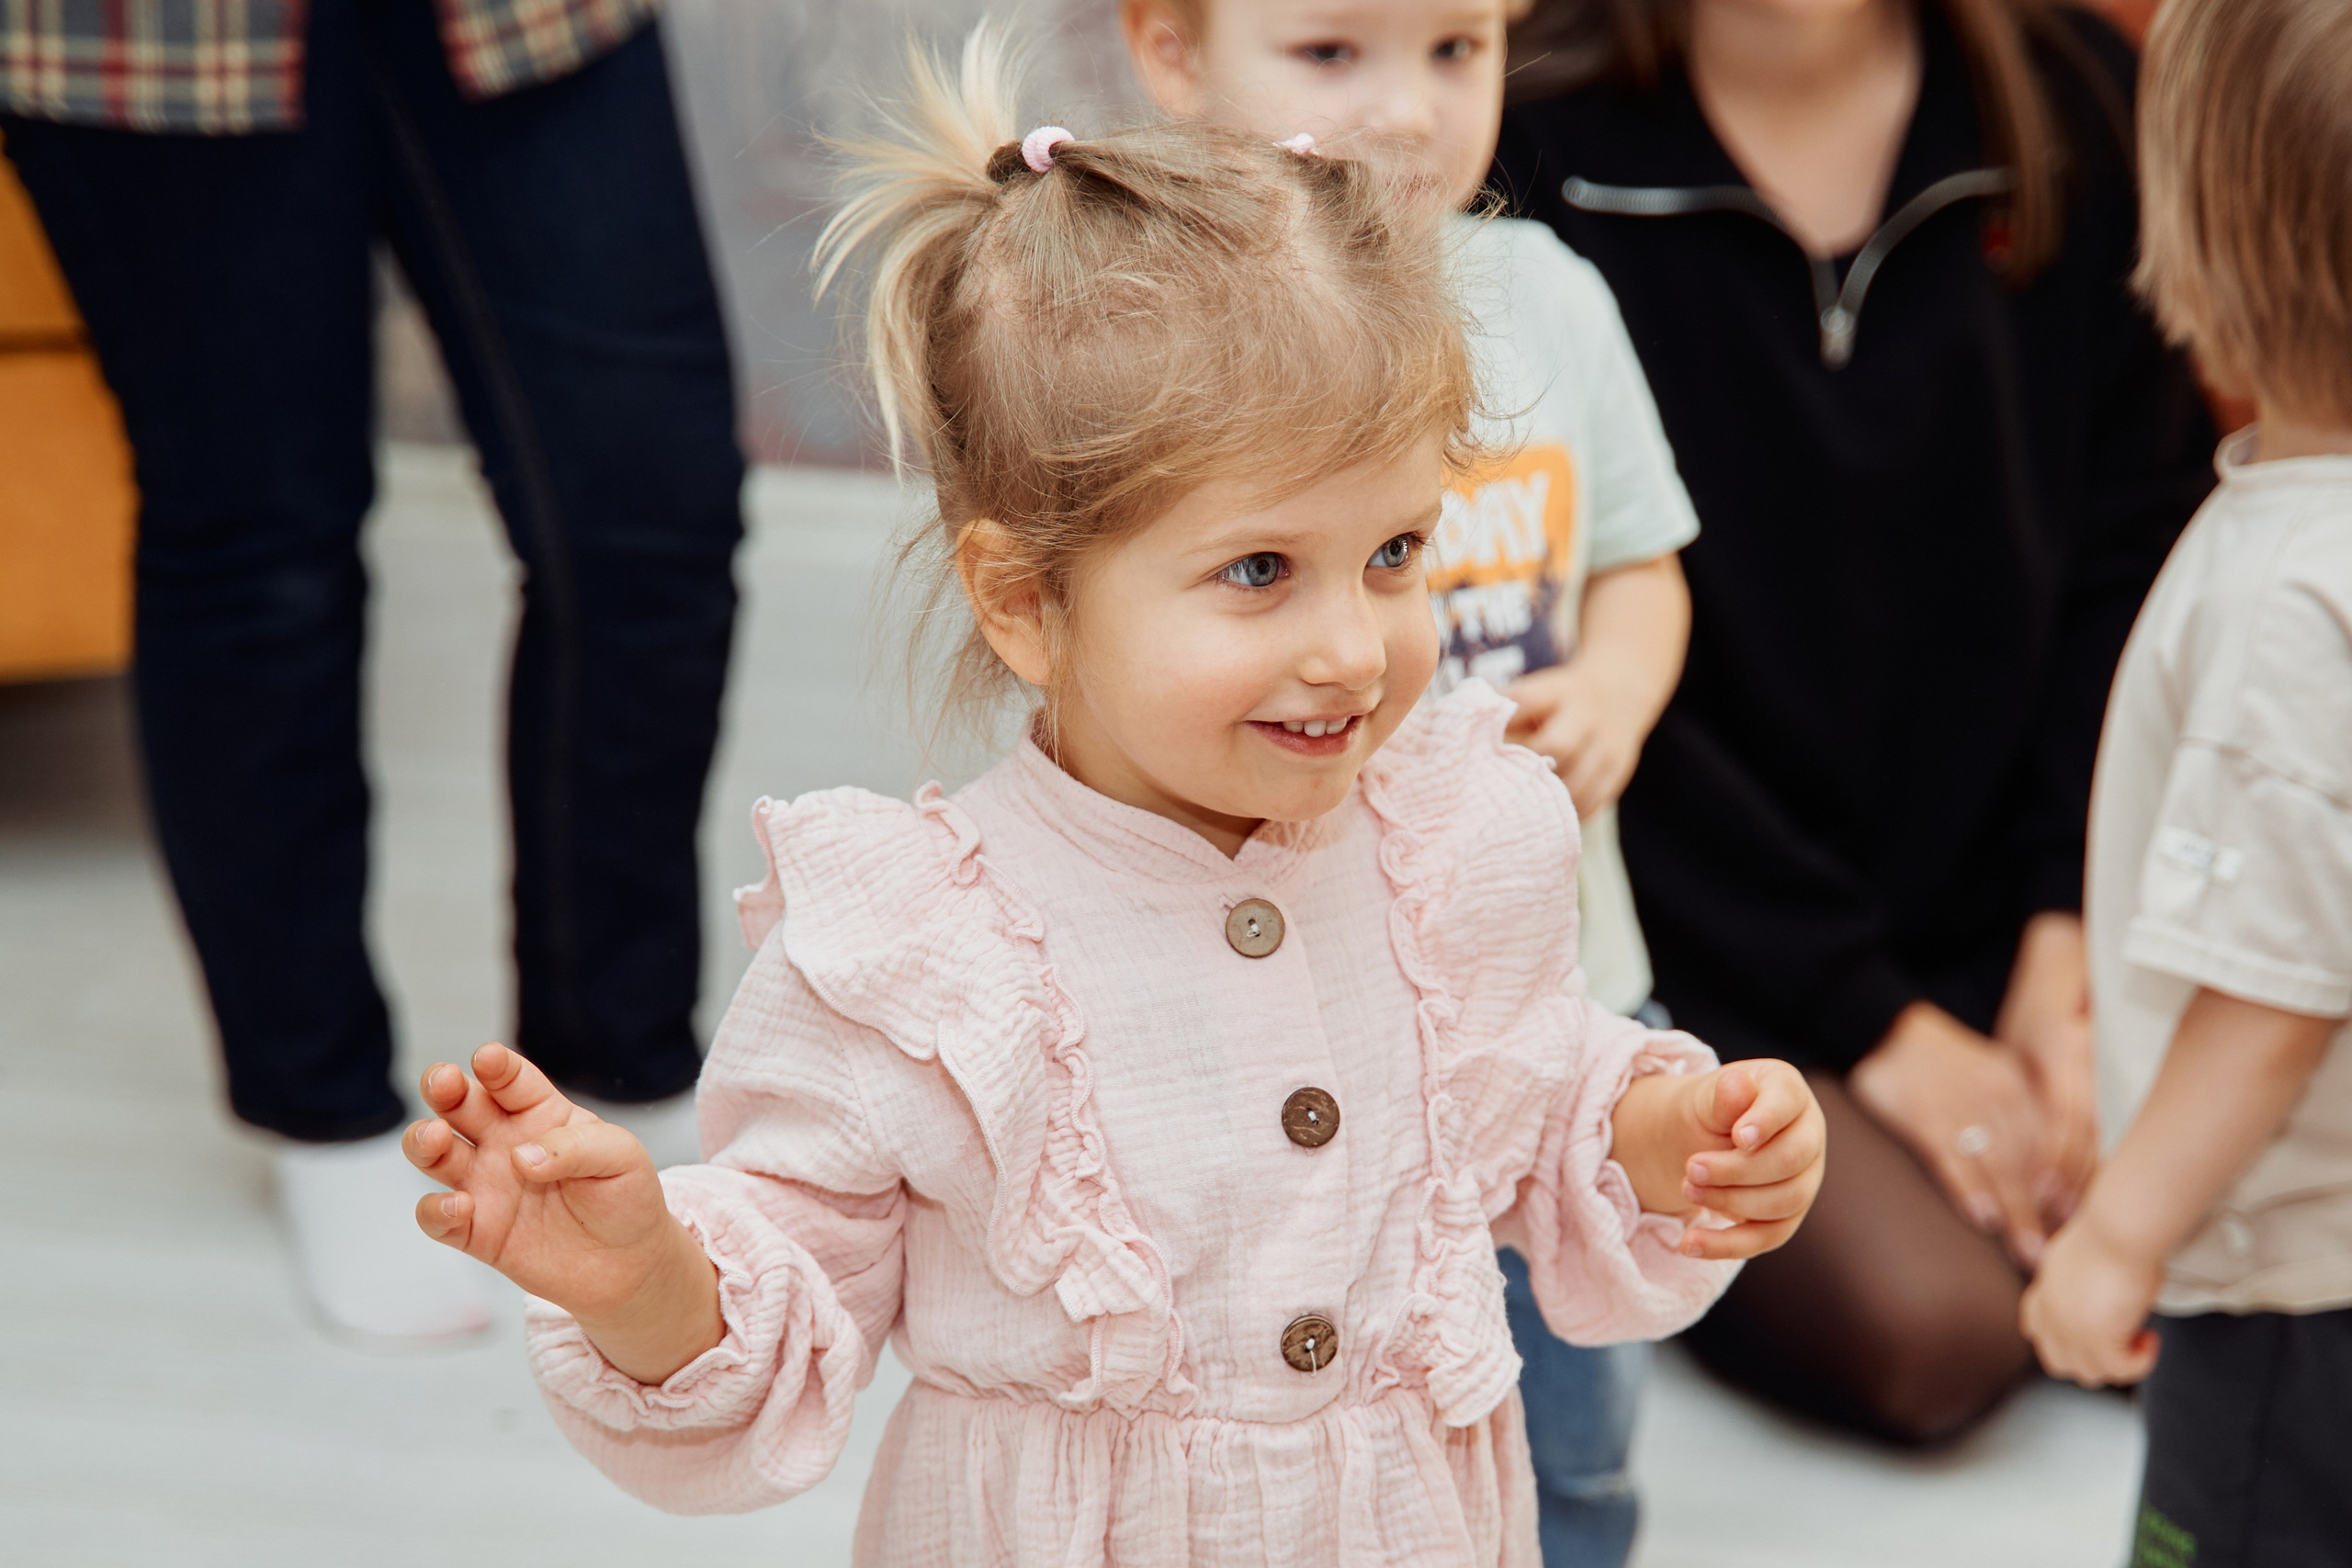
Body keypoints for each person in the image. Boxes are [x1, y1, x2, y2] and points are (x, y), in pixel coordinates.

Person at [396, 36, 1827, 1561]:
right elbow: (795, 1291)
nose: (1354, 644)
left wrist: (1674, 1134)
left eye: (1399, 553)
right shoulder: (920, 958)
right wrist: (641, 1279)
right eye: (1261, 571)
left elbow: (1538, 1107)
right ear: (1023, 602)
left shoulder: (1450, 839)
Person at [1490, 0, 2217, 1441]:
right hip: (1710, 948)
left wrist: (2063, 953)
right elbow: (1577, 677)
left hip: (2019, 906)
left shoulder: (2076, 100)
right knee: (1933, 1335)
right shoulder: (1518, 142)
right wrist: (1878, 1027)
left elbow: (2133, 562)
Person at [0, 0, 743, 1343]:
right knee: (255, 552)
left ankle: (617, 1065)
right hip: (148, 33)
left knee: (651, 515)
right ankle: (322, 1107)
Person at [1120, 3, 1701, 1560]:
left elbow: (1644, 563)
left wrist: (1622, 694)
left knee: (1573, 1426)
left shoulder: (1552, 300)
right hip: (1295, 1024)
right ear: (1172, 52)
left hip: (1558, 982)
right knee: (1313, 1413)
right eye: (1331, 54)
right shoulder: (1151, 329)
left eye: (1458, 49)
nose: (1407, 112)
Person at [2022, 0, 2352, 1559]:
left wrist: (2121, 1235)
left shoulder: (2288, 594)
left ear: (2211, 226)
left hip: (2286, 1288)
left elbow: (2280, 991)